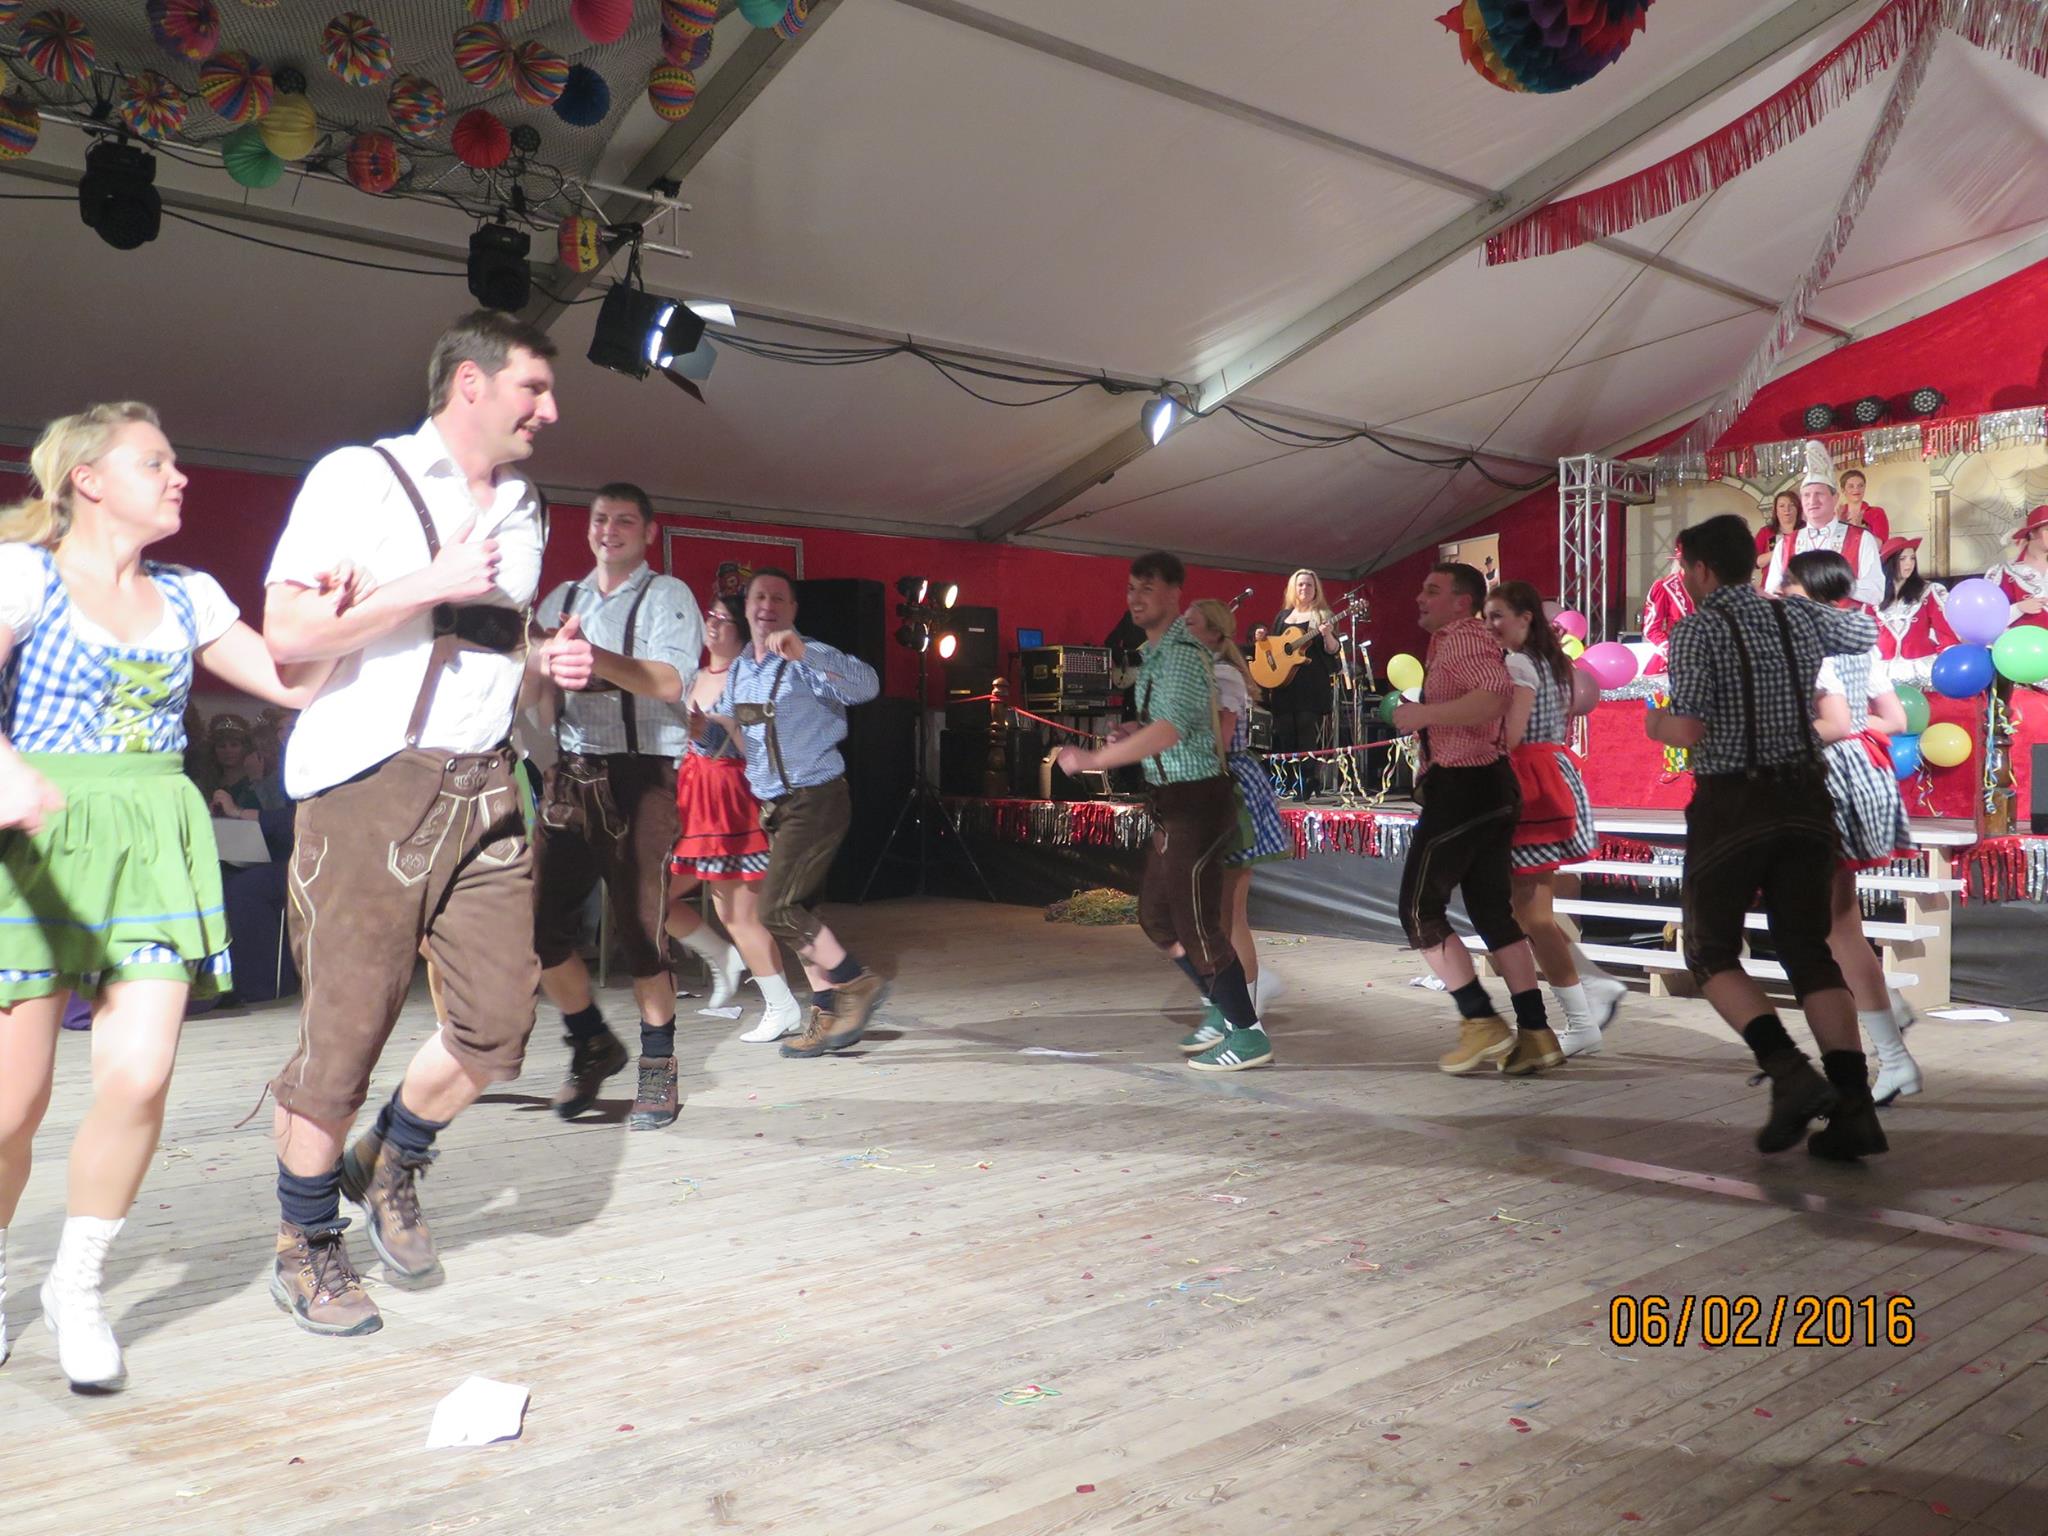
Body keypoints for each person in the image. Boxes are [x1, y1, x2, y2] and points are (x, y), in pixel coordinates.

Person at [0, 402, 356, 1389]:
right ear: (89, 480)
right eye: (155, 462)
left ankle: (76, 1285)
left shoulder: (190, 595)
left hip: (154, 838)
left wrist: (337, 615)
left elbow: (292, 685)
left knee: (141, 1073)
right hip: (38, 839)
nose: (179, 476)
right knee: (10, 1108)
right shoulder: (24, 575)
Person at [260, 309, 571, 1338]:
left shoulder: (524, 504)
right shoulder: (361, 477)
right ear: (470, 384)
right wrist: (421, 584)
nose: (549, 411)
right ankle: (303, 1243)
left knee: (497, 1025)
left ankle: (390, 1158)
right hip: (369, 787)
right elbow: (287, 632)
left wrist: (545, 660)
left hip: (486, 785)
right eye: (534, 389)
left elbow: (491, 636)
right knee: (342, 1043)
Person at [1646, 512, 1886, 1160]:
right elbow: (1866, 629)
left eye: (1684, 568)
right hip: (1806, 797)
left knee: (1710, 951)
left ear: (1700, 569)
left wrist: (1654, 725)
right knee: (1809, 950)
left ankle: (1789, 1072)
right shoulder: (1798, 616)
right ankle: (1856, 1110)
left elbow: (1688, 729)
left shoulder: (1696, 629)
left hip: (1734, 804)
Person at [528, 482, 708, 1134]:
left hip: (643, 776)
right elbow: (539, 689)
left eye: (625, 520)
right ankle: (591, 1041)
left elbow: (670, 680)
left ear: (649, 532)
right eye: (601, 519)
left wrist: (593, 656)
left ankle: (658, 1069)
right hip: (572, 775)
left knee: (639, 930)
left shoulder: (668, 595)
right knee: (537, 927)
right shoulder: (561, 599)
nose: (610, 529)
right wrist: (536, 672)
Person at [1056, 553, 1268, 1071]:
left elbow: (1171, 731)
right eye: (1131, 588)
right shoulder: (1154, 656)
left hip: (1197, 802)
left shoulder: (1182, 655)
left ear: (1175, 594)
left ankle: (1248, 1034)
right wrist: (1132, 731)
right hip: (1172, 801)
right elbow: (1175, 724)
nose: (1135, 598)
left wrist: (1094, 760)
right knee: (1157, 919)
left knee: (1199, 926)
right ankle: (1225, 1011)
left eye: (1147, 588)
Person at [704, 568, 885, 1059]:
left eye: (778, 599)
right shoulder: (741, 670)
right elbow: (727, 732)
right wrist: (694, 725)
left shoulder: (808, 657)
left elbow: (867, 685)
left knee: (776, 910)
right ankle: (826, 1016)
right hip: (775, 807)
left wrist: (806, 653)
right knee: (803, 913)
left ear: (793, 610)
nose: (768, 606)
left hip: (816, 797)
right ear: (747, 608)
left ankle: (857, 982)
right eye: (759, 597)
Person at [1391, 563, 1558, 1076]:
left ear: (1462, 602)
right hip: (1487, 787)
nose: (1420, 598)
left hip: (1467, 788)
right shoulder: (1455, 640)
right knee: (1491, 912)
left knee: (1418, 909)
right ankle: (1536, 1032)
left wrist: (1424, 715)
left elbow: (1493, 697)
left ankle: (1479, 1018)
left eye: (1432, 590)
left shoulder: (1463, 638)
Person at [1783, 551, 1921, 1108]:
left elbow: (1836, 722)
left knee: (1836, 926)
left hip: (1829, 778)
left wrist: (1795, 734)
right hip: (1863, 770)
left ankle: (1892, 1056)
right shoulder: (1860, 638)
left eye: (1789, 584)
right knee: (1838, 920)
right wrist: (1854, 729)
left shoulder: (1810, 641)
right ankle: (1886, 1012)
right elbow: (1896, 720)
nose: (1781, 592)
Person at [1485, 581, 1626, 1056]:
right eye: (1487, 617)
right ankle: (1590, 990)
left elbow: (1510, 735)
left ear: (1525, 617)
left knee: (1532, 914)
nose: (1491, 625)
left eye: (1498, 615)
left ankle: (1583, 1016)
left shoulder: (1520, 664)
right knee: (1524, 911)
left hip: (1531, 782)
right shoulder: (1549, 661)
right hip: (1547, 774)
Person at [668, 592, 793, 1043]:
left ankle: (781, 1004)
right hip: (690, 799)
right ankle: (722, 956)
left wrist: (714, 728)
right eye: (711, 615)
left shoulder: (748, 676)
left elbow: (758, 738)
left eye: (723, 618)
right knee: (653, 897)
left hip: (727, 800)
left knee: (740, 914)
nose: (713, 623)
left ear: (740, 631)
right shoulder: (694, 675)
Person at [1186, 598, 1290, 1014]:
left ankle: (1245, 1005)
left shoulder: (1223, 674)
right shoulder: (1203, 672)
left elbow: (1222, 740)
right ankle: (1240, 997)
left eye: (1191, 624)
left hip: (1229, 787)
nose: (1182, 631)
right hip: (1211, 784)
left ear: (1213, 633)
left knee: (1229, 911)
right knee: (1215, 910)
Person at [1764, 443, 1884, 610]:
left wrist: (1833, 583)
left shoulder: (1861, 538)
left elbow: (1876, 592)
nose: (1812, 501)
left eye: (1819, 494)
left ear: (1835, 498)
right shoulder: (1785, 544)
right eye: (1807, 495)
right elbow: (1771, 592)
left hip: (1844, 624)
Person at [1255, 569, 1339, 757]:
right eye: (1300, 584)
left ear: (1316, 589)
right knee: (1284, 734)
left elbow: (1333, 650)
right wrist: (1262, 639)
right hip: (1284, 686)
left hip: (1310, 686)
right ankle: (1288, 774)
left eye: (1309, 585)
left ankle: (1307, 774)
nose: (1304, 588)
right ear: (1294, 588)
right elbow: (1275, 648)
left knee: (1305, 735)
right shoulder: (1283, 616)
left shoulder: (1322, 615)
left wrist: (1327, 634)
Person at [1875, 537, 1955, 687]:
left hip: (1921, 668)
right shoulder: (1874, 596)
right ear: (1889, 563)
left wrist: (1949, 662)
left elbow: (1945, 633)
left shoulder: (1927, 592)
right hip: (1883, 670)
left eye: (1912, 558)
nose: (1909, 564)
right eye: (1902, 559)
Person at [1985, 505, 2048, 633]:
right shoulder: (2002, 573)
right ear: (2032, 533)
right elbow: (1984, 619)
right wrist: (2018, 609)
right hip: (2022, 644)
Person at [1638, 549, 1694, 674]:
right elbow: (1651, 629)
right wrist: (1670, 650)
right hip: (1675, 657)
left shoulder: (1711, 588)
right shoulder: (1664, 587)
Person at [1753, 490, 1801, 582]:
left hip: (1801, 584)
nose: (1787, 509)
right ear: (1776, 510)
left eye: (1791, 505)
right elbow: (1755, 563)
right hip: (1771, 586)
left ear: (1798, 508)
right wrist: (1780, 550)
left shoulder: (1807, 529)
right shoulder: (1765, 532)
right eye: (1782, 506)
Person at [1838, 469, 1891, 543]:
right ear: (1843, 490)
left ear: (1864, 487)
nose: (1856, 489)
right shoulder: (1837, 515)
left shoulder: (1876, 513)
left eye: (1860, 485)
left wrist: (1861, 530)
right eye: (1851, 486)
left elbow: (1881, 544)